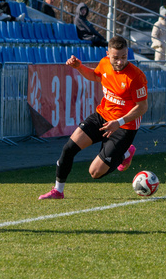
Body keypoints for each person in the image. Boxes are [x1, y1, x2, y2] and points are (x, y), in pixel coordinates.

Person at [39, 35, 148, 200]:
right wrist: (78, 67)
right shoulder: (104, 63)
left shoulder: (136, 77)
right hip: (101, 117)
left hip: (124, 126)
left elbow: (142, 107)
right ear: (107, 54)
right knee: (68, 148)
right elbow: (96, 76)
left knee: (94, 173)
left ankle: (125, 154)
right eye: (116, 58)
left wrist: (118, 122)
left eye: (124, 57)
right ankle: (58, 191)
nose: (120, 62)